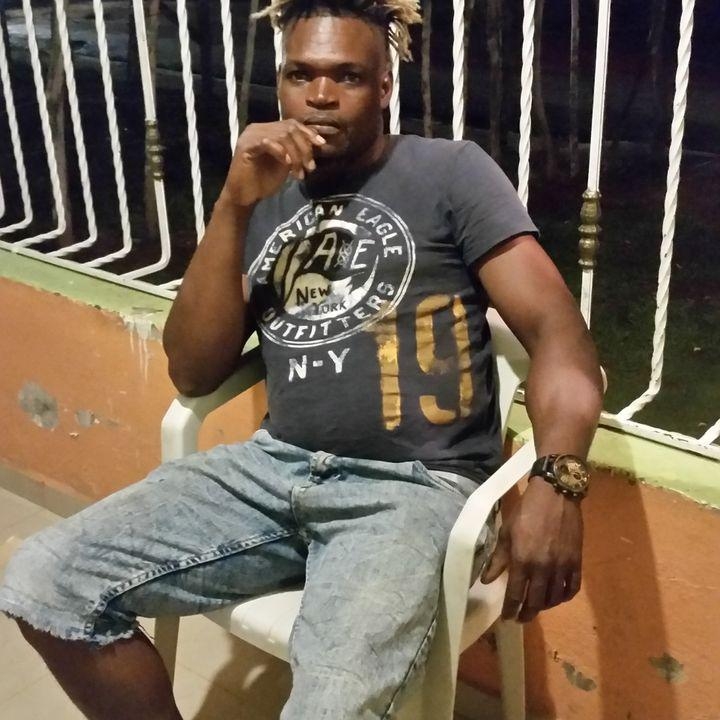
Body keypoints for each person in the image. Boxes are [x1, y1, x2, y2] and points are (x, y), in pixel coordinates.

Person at [0, 1, 603, 718]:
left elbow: (559, 335)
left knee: (332, 705)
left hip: (409, 491)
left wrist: (557, 481)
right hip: (271, 468)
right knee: (44, 582)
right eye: (300, 74)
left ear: (384, 85)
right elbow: (192, 370)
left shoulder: (449, 172)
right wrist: (232, 204)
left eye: (347, 75)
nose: (320, 95)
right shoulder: (263, 191)